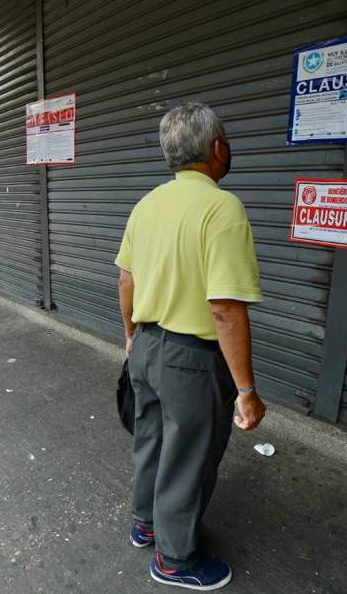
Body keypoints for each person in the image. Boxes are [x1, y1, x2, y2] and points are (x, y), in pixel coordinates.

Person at [116, 103, 266, 590]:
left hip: (146, 346)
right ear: (217, 149)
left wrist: (131, 339)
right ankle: (175, 559)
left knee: (152, 441)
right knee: (190, 456)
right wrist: (245, 389)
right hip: (190, 359)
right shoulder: (222, 208)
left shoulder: (146, 205)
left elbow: (126, 281)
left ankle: (146, 524)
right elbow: (224, 308)